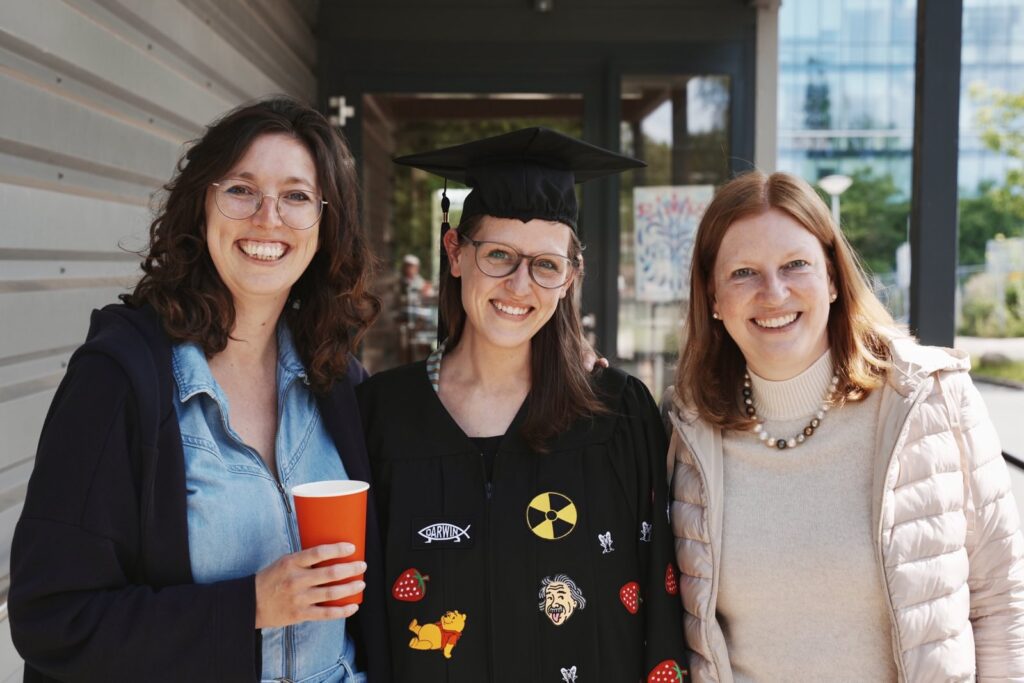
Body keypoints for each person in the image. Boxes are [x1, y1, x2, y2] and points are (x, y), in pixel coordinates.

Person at [9, 97, 390, 682]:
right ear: (202, 206)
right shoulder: (120, 380)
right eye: (241, 189)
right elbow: (53, 618)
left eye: (296, 196)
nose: (268, 217)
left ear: (325, 225)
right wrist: (250, 606)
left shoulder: (335, 381)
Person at [665, 170, 1024, 681]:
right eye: (744, 272)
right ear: (713, 299)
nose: (774, 292)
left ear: (832, 279)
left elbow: (1002, 599)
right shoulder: (690, 431)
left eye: (796, 265)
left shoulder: (928, 400)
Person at [358, 128, 688, 682]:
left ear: (570, 277)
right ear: (455, 253)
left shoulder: (617, 415)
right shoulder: (382, 415)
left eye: (546, 265)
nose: (518, 286)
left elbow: (661, 597)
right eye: (499, 255)